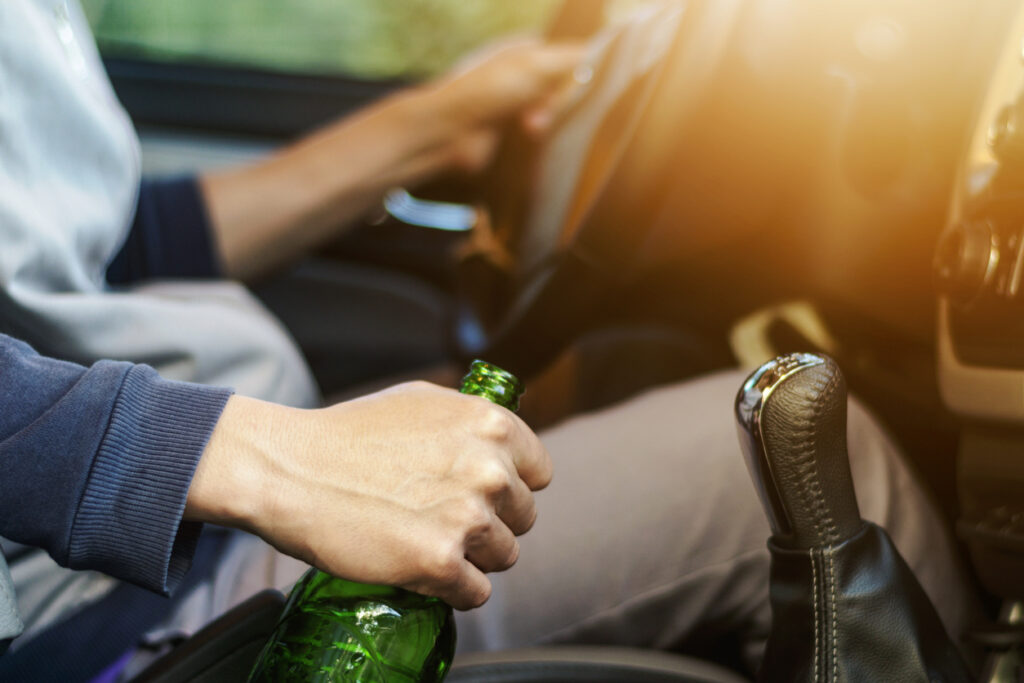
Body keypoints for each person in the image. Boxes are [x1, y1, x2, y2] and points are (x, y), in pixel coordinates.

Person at [0, 0, 978, 680]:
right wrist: (257, 460)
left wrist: (432, 126)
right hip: (102, 614)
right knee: (829, 471)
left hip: (165, 539)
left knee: (613, 371)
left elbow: (78, 245)